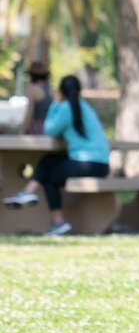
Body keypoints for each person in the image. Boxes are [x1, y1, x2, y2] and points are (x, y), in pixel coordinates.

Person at [3, 75, 110, 236]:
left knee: (48, 176)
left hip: (87, 162)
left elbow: (48, 130)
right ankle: (29, 192)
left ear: (61, 92)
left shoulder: (66, 108)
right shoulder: (85, 107)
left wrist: (53, 105)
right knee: (49, 160)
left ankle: (57, 221)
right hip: (101, 164)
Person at [20, 60, 51, 135]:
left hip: (36, 128)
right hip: (49, 127)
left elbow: (29, 113)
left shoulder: (32, 89)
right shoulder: (51, 90)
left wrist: (22, 131)